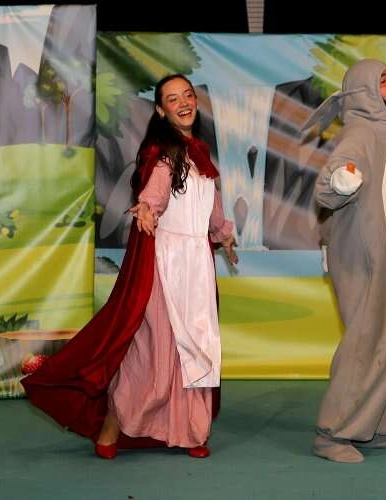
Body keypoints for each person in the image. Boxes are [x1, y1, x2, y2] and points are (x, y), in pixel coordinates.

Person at [22, 74, 238, 460]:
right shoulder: (164, 154)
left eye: (188, 95)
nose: (184, 102)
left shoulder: (200, 154)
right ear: (161, 110)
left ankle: (190, 430)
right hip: (166, 265)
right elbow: (154, 192)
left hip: (198, 268)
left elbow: (212, 206)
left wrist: (224, 235)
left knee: (196, 347)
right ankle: (112, 424)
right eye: (173, 99)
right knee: (153, 351)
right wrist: (147, 209)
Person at [310, 59, 386, 463]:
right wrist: (342, 181)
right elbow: (328, 186)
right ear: (364, 93)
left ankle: (378, 427)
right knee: (366, 343)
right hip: (368, 261)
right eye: (383, 80)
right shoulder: (360, 133)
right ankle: (332, 433)